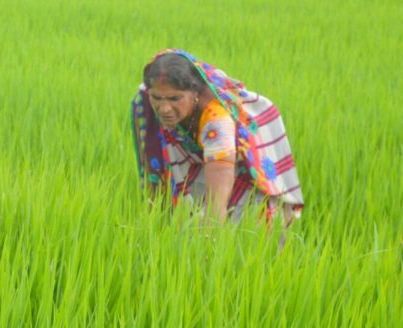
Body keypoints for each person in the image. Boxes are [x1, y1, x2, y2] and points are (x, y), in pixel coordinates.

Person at [130, 49, 304, 225]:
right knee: (188, 212)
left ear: (195, 92)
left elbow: (219, 184)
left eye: (175, 99)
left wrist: (213, 222)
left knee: (250, 216)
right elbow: (154, 162)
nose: (164, 108)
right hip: (206, 151)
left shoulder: (217, 119)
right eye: (157, 98)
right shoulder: (146, 97)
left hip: (248, 154)